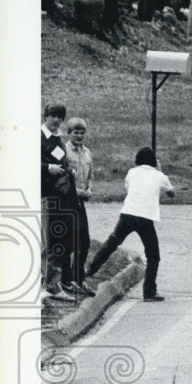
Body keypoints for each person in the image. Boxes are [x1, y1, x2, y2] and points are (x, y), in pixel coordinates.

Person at [85, 146, 172, 301]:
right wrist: (160, 171)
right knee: (153, 255)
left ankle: (91, 269)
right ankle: (149, 292)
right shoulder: (159, 176)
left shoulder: (132, 172)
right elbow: (172, 193)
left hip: (127, 214)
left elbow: (128, 187)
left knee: (112, 242)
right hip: (145, 218)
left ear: (137, 160)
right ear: (154, 162)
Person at [40, 103, 77, 302]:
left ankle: (50, 284)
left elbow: (61, 161)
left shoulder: (57, 139)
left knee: (55, 240)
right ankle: (51, 285)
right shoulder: (39, 137)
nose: (56, 120)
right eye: (52, 116)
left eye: (59, 117)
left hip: (59, 194)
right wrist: (47, 168)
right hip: (46, 194)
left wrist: (67, 169)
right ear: (45, 116)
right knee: (50, 241)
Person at [63, 118, 94, 296]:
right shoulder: (64, 151)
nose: (79, 136)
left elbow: (91, 176)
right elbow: (63, 179)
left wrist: (89, 189)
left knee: (84, 242)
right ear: (69, 133)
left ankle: (78, 278)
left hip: (81, 202)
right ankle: (66, 280)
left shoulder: (88, 153)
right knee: (67, 242)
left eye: (82, 132)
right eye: (76, 132)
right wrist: (77, 191)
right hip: (67, 201)